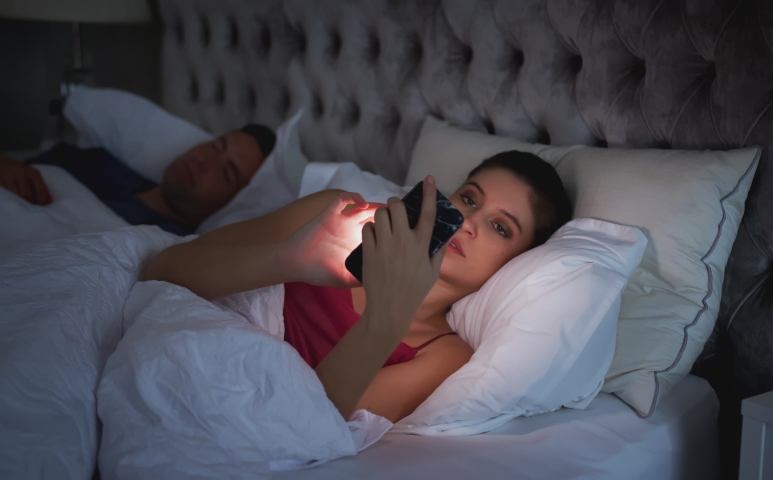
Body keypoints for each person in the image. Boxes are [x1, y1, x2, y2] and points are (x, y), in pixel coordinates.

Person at [144, 150, 572, 422]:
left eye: (500, 227)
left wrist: (386, 319)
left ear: (516, 264)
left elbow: (303, 424)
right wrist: (289, 260)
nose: (470, 223)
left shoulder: (445, 355)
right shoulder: (334, 219)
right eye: (469, 199)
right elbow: (165, 269)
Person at [0, 124, 276, 235]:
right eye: (215, 147)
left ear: (232, 203)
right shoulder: (101, 163)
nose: (205, 162)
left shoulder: (168, 244)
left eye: (226, 173)